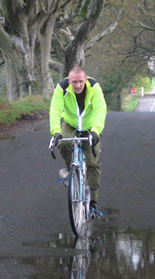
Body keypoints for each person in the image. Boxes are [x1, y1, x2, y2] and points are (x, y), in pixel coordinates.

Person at [49, 65, 107, 213]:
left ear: (85, 79)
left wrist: (95, 131)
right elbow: (55, 110)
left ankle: (93, 202)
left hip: (90, 127)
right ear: (69, 81)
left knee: (92, 163)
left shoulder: (94, 87)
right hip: (70, 124)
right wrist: (55, 132)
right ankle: (71, 171)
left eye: (80, 81)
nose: (77, 85)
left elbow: (100, 109)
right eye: (74, 82)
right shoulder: (61, 88)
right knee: (63, 143)